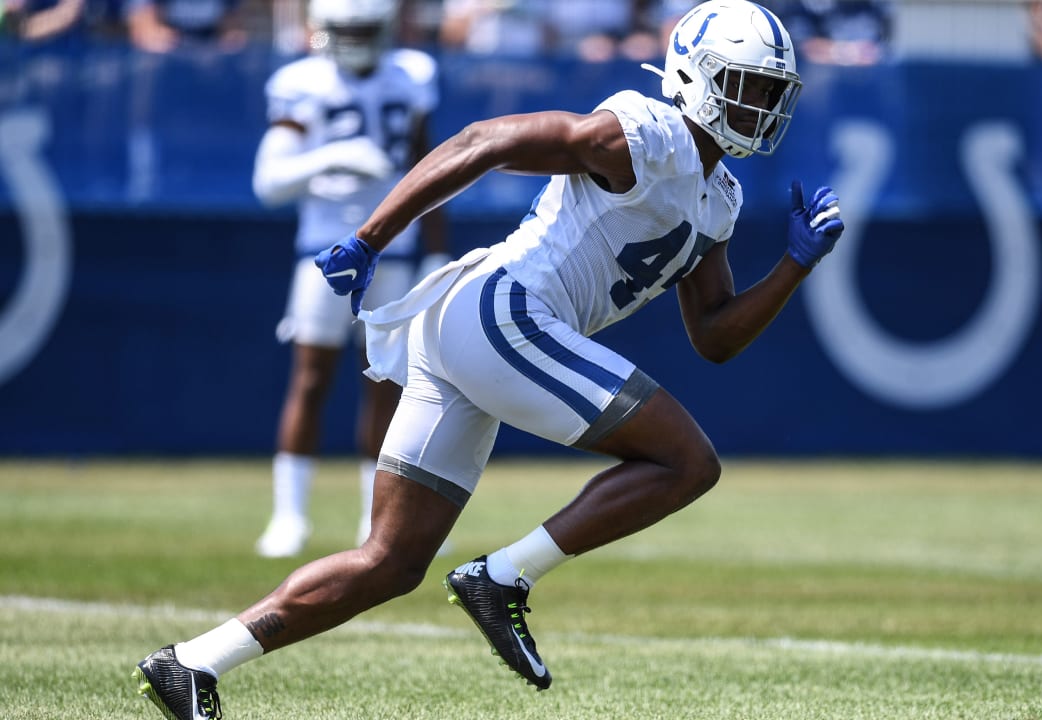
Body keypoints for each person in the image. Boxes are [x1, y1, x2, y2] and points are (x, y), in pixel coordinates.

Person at [132, 1, 843, 716]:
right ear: (694, 76)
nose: (761, 104)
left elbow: (714, 336)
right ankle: (503, 578)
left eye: (771, 90)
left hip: (477, 327)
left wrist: (794, 265)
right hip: (501, 311)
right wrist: (370, 237)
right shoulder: (645, 133)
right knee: (688, 462)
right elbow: (486, 138)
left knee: (390, 561)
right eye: (746, 84)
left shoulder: (720, 196)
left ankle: (193, 662)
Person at [250, 0, 451, 558]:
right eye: (346, 29)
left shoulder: (412, 74)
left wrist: (436, 251)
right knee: (311, 380)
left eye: (365, 28)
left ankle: (373, 515)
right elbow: (269, 183)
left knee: (386, 384)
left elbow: (428, 166)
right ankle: (289, 516)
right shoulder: (300, 82)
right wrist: (331, 155)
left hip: (397, 248)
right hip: (326, 249)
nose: (356, 39)